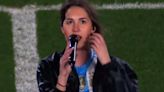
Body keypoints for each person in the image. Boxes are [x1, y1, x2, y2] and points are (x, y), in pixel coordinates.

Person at [36, 0, 138, 92]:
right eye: (69, 22)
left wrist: (108, 66)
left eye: (82, 21)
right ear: (62, 29)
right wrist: (62, 78)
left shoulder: (121, 68)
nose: (76, 29)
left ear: (92, 28)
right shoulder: (48, 67)